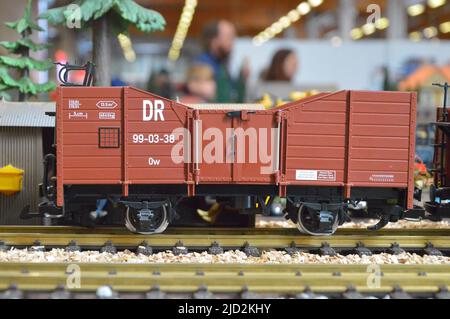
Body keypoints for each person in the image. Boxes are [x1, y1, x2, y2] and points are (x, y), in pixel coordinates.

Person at [195, 20, 248, 103]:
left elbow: (231, 91)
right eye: (228, 37)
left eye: (233, 38)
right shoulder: (202, 65)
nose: (232, 43)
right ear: (213, 40)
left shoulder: (223, 64)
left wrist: (242, 79)